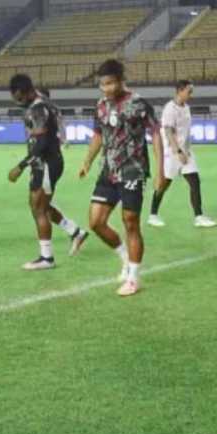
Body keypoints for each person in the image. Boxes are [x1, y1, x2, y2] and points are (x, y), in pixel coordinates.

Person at [78, 59, 164, 297]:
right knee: (96, 222)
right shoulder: (101, 105)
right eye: (102, 85)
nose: (106, 89)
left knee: (130, 221)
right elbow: (98, 134)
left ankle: (134, 278)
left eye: (110, 83)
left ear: (120, 80)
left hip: (132, 170)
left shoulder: (138, 104)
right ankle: (125, 258)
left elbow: (156, 133)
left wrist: (160, 170)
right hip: (108, 170)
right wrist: (87, 161)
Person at [7, 73, 89, 270]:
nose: (18, 101)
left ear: (26, 91)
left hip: (45, 162)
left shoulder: (38, 108)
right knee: (40, 205)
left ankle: (47, 258)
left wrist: (20, 166)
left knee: (39, 208)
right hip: (44, 163)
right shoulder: (44, 104)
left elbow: (42, 142)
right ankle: (75, 231)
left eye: (19, 97)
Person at [148, 80, 217, 228]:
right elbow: (168, 131)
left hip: (185, 152)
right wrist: (177, 151)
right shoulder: (169, 108)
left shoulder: (186, 108)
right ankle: (153, 214)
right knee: (165, 183)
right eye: (189, 91)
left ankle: (198, 216)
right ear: (179, 91)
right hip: (171, 152)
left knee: (195, 181)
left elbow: (185, 131)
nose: (191, 94)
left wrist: (186, 150)